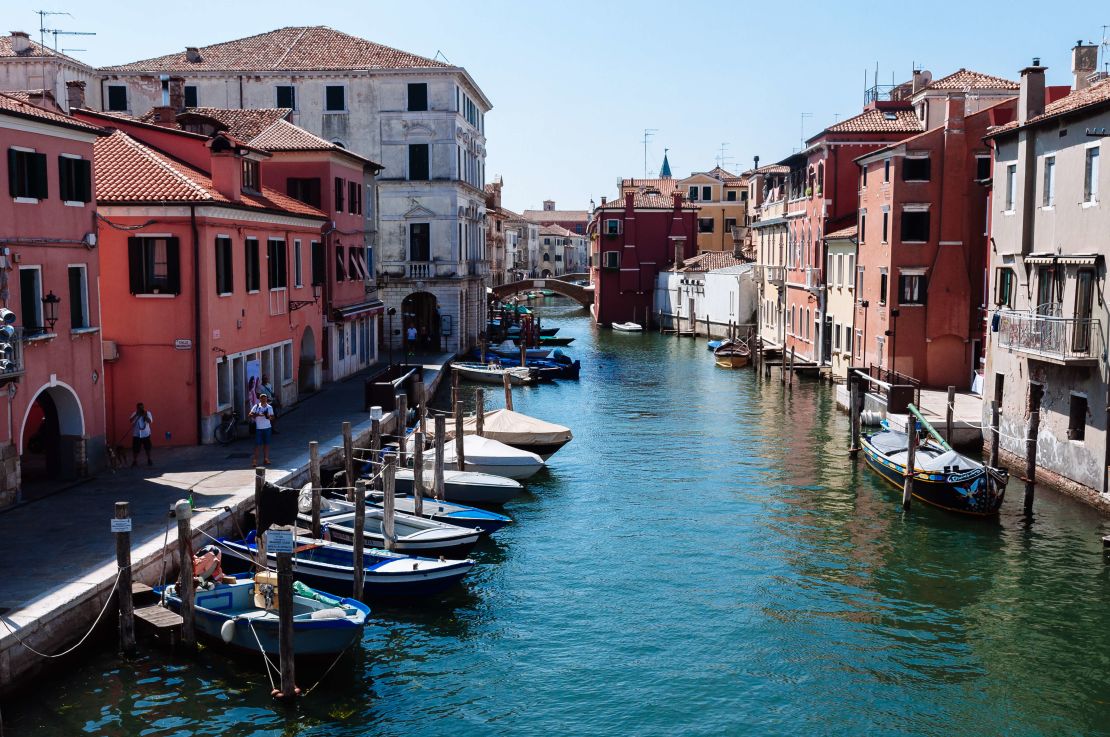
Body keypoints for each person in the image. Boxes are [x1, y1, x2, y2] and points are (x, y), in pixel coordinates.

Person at [249, 393, 275, 466]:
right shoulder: (256, 406)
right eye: (262, 398)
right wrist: (258, 414)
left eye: (265, 398)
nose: (264, 400)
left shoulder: (269, 407)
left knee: (266, 444)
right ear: (260, 399)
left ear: (266, 399)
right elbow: (250, 415)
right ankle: (255, 461)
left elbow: (272, 417)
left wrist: (268, 416)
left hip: (267, 428)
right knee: (257, 445)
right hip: (259, 429)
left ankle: (266, 459)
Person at [129, 402, 153, 467]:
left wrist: (145, 416)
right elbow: (130, 421)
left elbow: (150, 421)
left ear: (143, 407)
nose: (141, 409)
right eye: (139, 408)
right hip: (137, 435)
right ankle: (135, 461)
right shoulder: (135, 413)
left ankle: (149, 459)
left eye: (142, 407)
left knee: (148, 448)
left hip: (146, 434)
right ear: (137, 408)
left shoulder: (148, 413)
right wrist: (136, 415)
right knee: (135, 449)